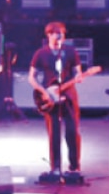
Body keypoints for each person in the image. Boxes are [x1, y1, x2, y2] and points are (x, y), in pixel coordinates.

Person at [29, 21, 84, 179]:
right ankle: (55, 168)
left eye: (62, 35)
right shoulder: (41, 53)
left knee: (73, 130)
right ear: (49, 35)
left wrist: (79, 77)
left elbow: (77, 72)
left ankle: (74, 167)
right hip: (50, 96)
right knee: (54, 132)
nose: (60, 38)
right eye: (56, 35)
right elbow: (31, 77)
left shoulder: (71, 51)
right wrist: (42, 92)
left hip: (68, 94)